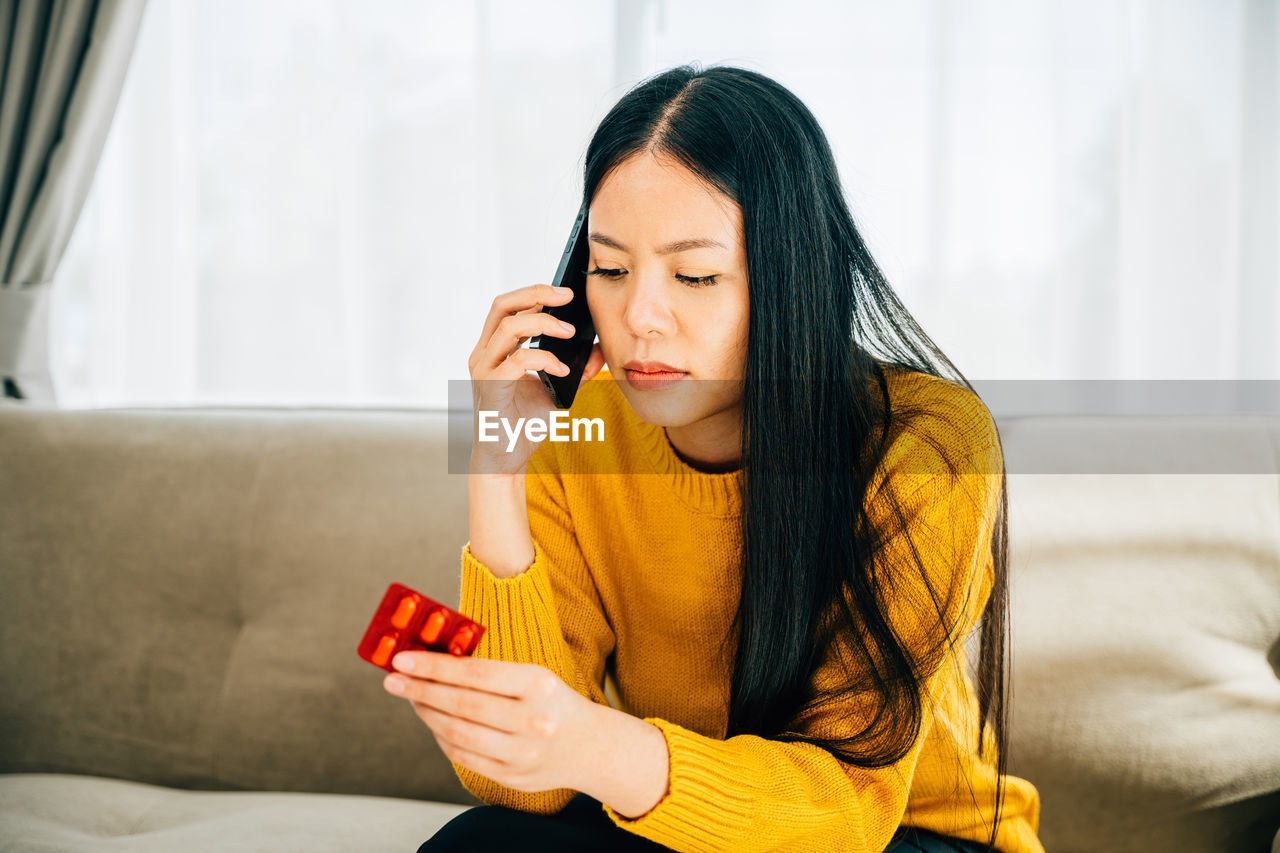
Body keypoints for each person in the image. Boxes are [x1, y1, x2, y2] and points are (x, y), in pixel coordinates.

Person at [386, 63, 1045, 853]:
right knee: (478, 844)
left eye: (695, 274)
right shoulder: (577, 425)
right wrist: (497, 464)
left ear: (788, 275)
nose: (640, 317)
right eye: (609, 267)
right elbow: (521, 787)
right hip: (697, 828)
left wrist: (597, 744)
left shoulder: (927, 444)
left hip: (904, 836)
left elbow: (846, 813)